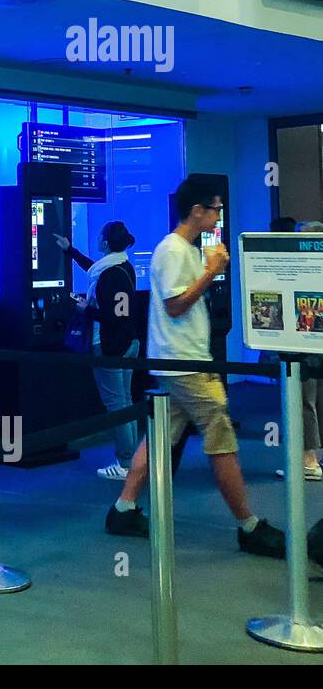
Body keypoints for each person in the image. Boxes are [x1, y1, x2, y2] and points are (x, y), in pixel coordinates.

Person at [105, 176, 285, 557]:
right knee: (221, 440)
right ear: (196, 211)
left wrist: (207, 269)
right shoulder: (172, 250)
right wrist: (211, 272)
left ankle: (123, 508)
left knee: (160, 438)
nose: (218, 215)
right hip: (184, 364)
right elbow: (174, 305)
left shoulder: (185, 249)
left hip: (182, 362)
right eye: (215, 208)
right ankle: (248, 524)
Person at [56, 223, 140, 480]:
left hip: (110, 345)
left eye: (99, 236)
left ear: (105, 242)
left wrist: (86, 309)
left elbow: (115, 315)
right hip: (129, 343)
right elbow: (96, 269)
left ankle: (126, 463)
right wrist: (72, 251)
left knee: (116, 404)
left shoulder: (109, 274)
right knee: (125, 402)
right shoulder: (121, 266)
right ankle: (132, 460)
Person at [278, 220, 323, 481]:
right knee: (312, 400)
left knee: (304, 401)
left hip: (305, 347)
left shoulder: (307, 271)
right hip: (311, 345)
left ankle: (309, 460)